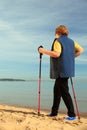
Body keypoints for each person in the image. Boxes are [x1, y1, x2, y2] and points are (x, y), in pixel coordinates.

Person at [38, 25, 84, 120]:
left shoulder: (58, 41)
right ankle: (54, 112)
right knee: (57, 91)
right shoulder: (72, 41)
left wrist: (42, 50)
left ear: (58, 32)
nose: (55, 34)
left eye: (55, 32)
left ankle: (72, 114)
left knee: (64, 92)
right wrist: (71, 57)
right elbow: (81, 50)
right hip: (68, 69)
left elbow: (56, 54)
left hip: (61, 70)